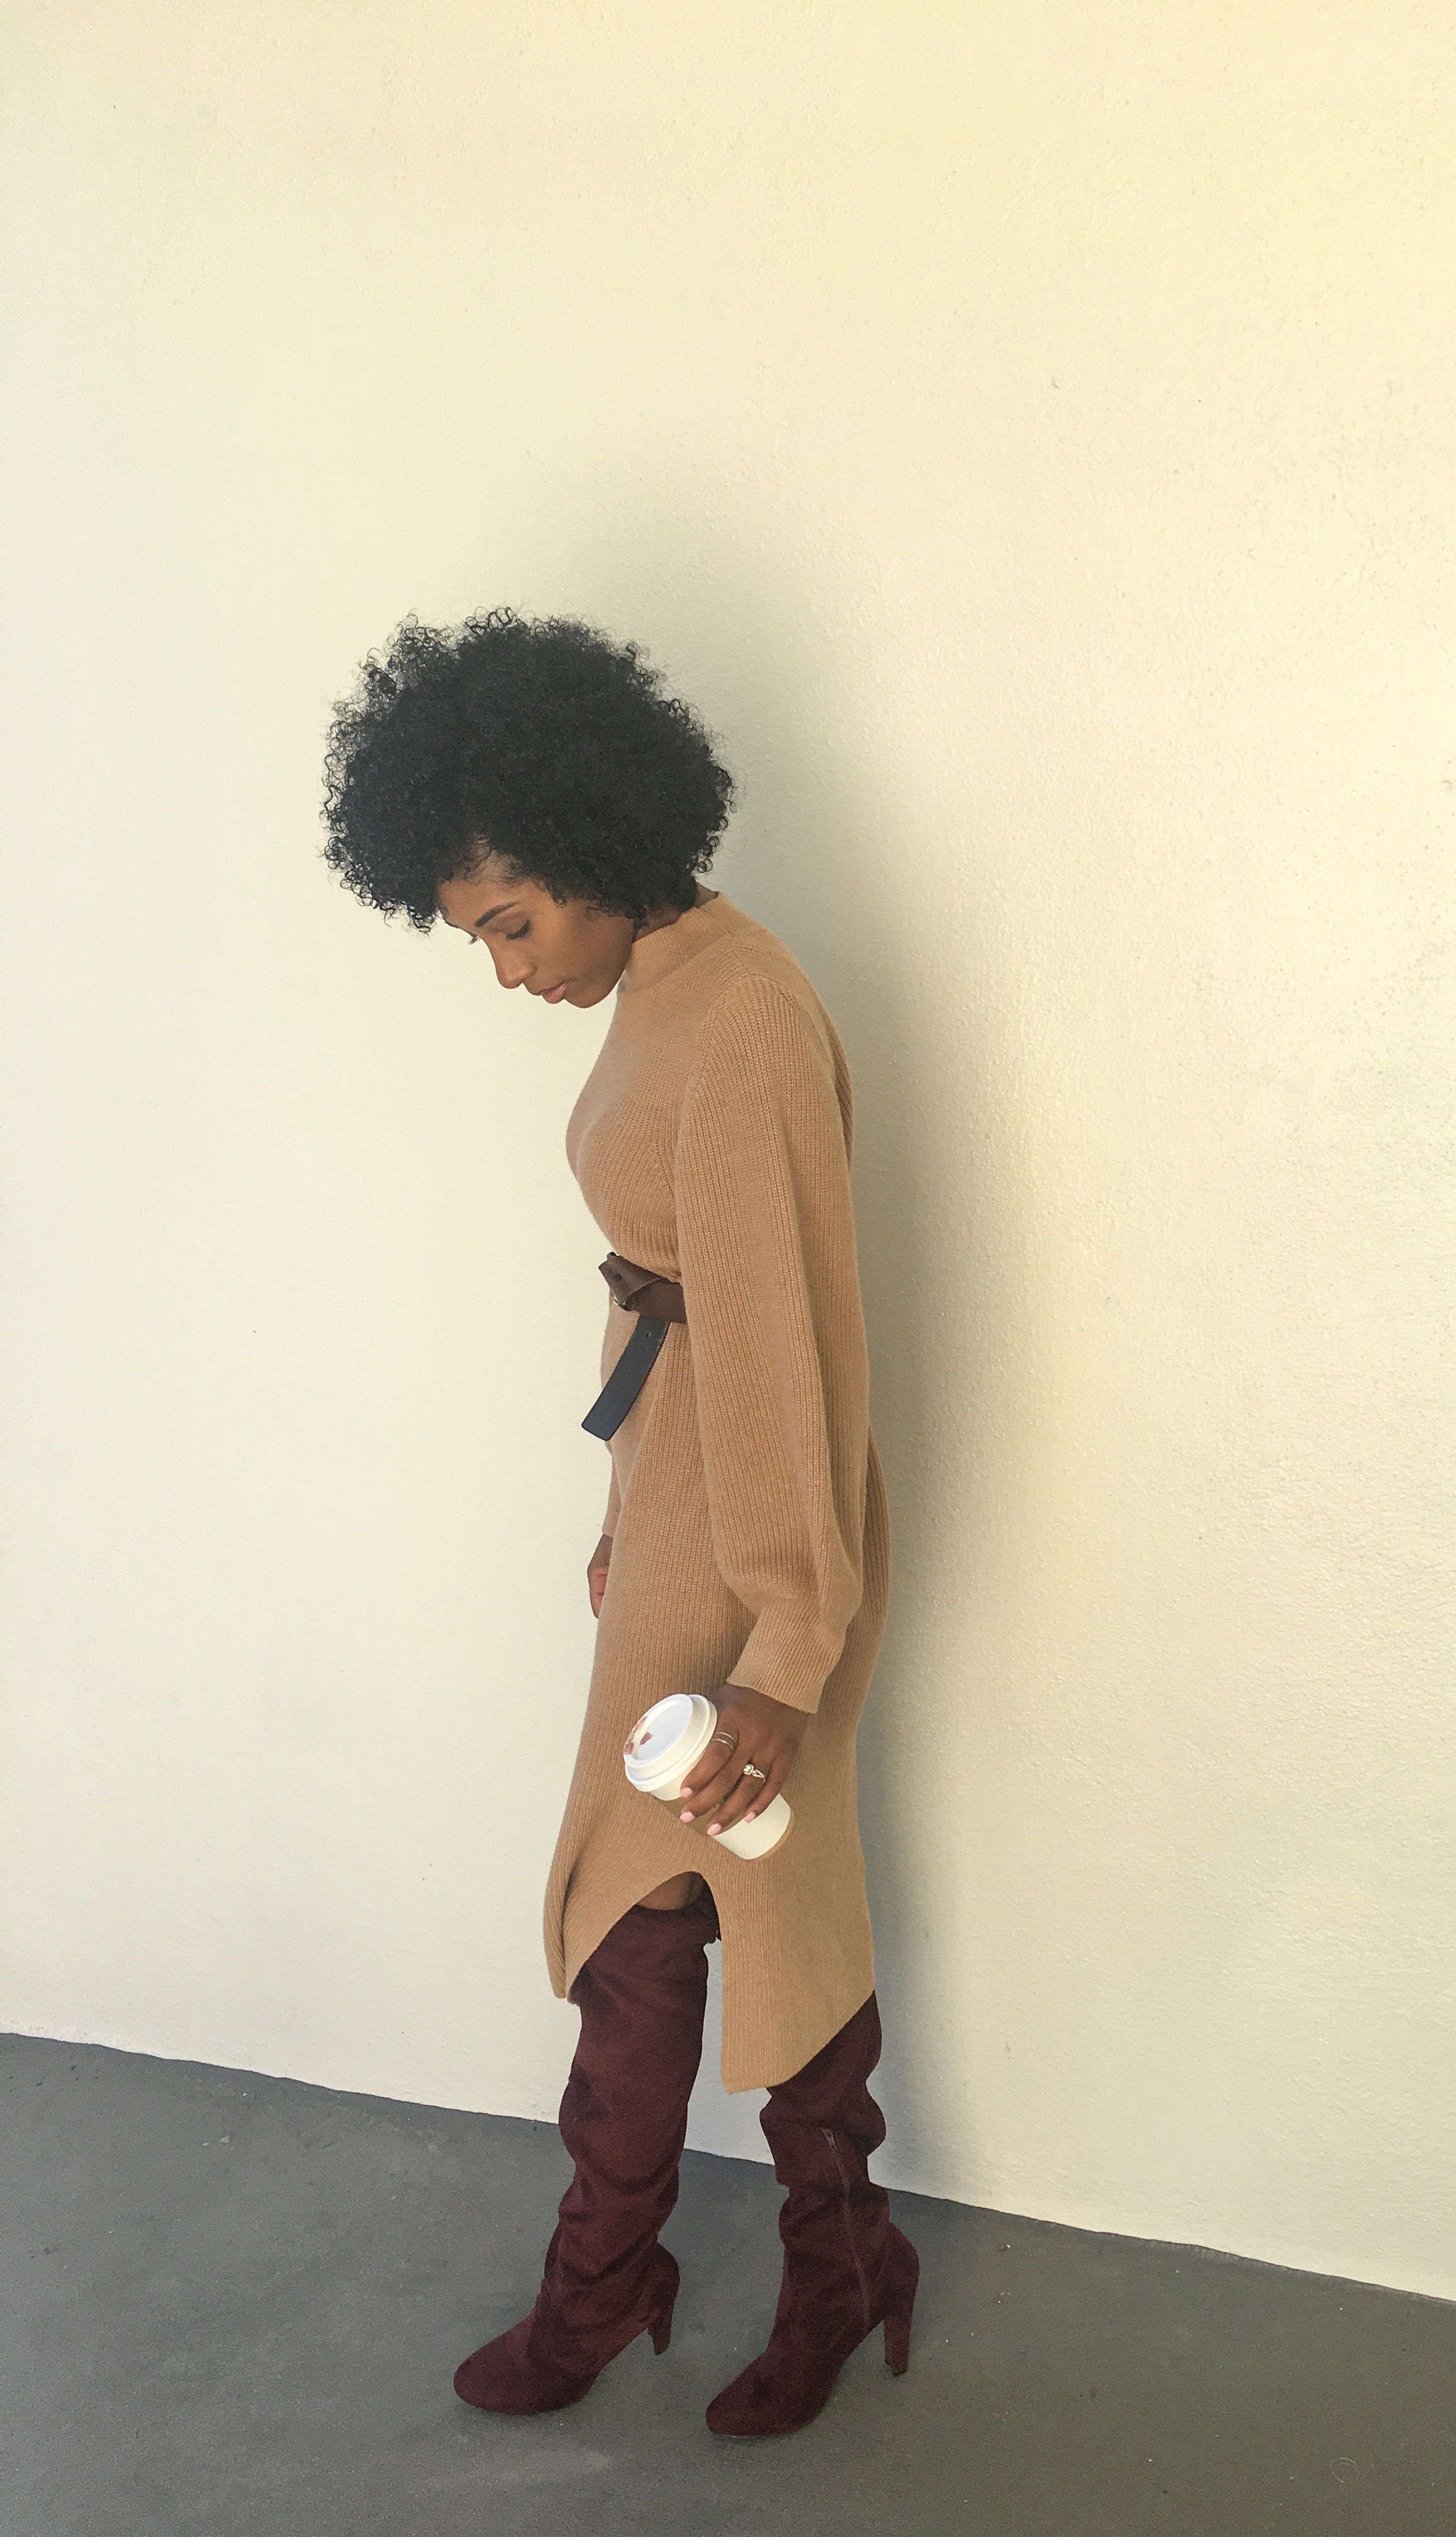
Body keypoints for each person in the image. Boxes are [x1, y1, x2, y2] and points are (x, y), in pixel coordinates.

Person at [320, 609, 915, 2434]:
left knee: (752, 1899)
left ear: (589, 845)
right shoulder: (669, 984)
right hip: (683, 1516)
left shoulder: (738, 1018)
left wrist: (786, 1646)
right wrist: (624, 1509)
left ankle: (812, 2268)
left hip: (758, 1536)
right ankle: (615, 2280)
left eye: (510, 924)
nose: (505, 974)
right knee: (643, 1920)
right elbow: (670, 1312)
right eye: (477, 939)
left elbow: (782, 1347)